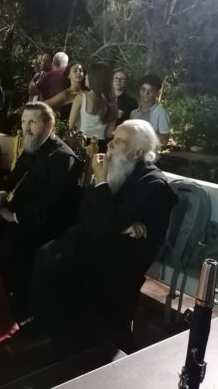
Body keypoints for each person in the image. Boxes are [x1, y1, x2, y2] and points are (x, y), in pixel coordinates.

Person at [32, 119, 178, 353]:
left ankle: (75, 344)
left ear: (137, 152)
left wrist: (102, 183)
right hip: (102, 238)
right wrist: (115, 221)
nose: (109, 145)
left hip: (126, 254)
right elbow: (86, 213)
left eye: (118, 141)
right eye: (112, 138)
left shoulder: (153, 183)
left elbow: (107, 222)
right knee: (46, 254)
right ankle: (57, 331)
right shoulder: (119, 166)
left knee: (64, 268)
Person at [0, 102, 82, 319]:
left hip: (45, 224)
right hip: (24, 214)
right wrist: (2, 192)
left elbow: (52, 205)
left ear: (49, 125)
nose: (26, 127)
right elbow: (15, 176)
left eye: (32, 122)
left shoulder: (63, 157)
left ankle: (19, 306)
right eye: (24, 121)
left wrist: (13, 217)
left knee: (8, 242)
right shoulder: (34, 144)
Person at [68, 62, 118, 151]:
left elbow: (70, 125)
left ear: (94, 78)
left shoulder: (81, 97)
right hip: (101, 146)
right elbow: (109, 134)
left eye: (88, 74)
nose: (85, 76)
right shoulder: (112, 101)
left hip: (82, 144)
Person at [130, 74, 170, 145]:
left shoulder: (160, 112)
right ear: (139, 91)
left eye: (150, 90)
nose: (146, 93)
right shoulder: (133, 113)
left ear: (156, 93)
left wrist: (146, 131)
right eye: (143, 89)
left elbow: (165, 140)